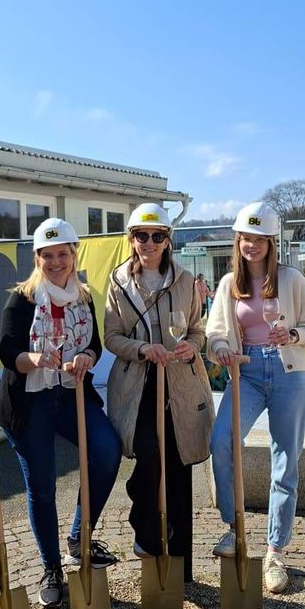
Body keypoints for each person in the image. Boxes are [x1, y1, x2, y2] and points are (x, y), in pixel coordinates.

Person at [0, 218, 121, 609]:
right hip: (29, 400)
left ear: (74, 254)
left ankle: (79, 537)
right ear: (37, 258)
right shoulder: (22, 299)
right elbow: (6, 352)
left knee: (106, 451)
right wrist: (34, 358)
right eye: (47, 256)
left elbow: (95, 344)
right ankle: (51, 567)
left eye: (62, 254)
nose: (55, 262)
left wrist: (86, 356)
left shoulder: (83, 298)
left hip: (68, 395)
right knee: (43, 485)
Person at [206, 202, 305, 593]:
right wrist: (222, 349)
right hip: (247, 371)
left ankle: (275, 552)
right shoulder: (228, 285)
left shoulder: (291, 280)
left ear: (272, 242)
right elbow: (215, 333)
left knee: (285, 461)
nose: (251, 245)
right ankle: (233, 527)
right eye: (246, 238)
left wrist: (293, 336)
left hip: (289, 373)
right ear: (237, 240)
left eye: (259, 239)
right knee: (222, 441)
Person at [104, 203, 214, 581]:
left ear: (168, 241)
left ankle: (181, 569)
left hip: (180, 382)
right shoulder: (119, 282)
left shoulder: (185, 281)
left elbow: (198, 329)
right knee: (149, 455)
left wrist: (192, 346)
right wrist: (141, 349)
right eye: (141, 236)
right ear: (131, 239)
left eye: (157, 236)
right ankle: (147, 531)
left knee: (180, 469)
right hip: (139, 383)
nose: (148, 243)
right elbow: (111, 336)